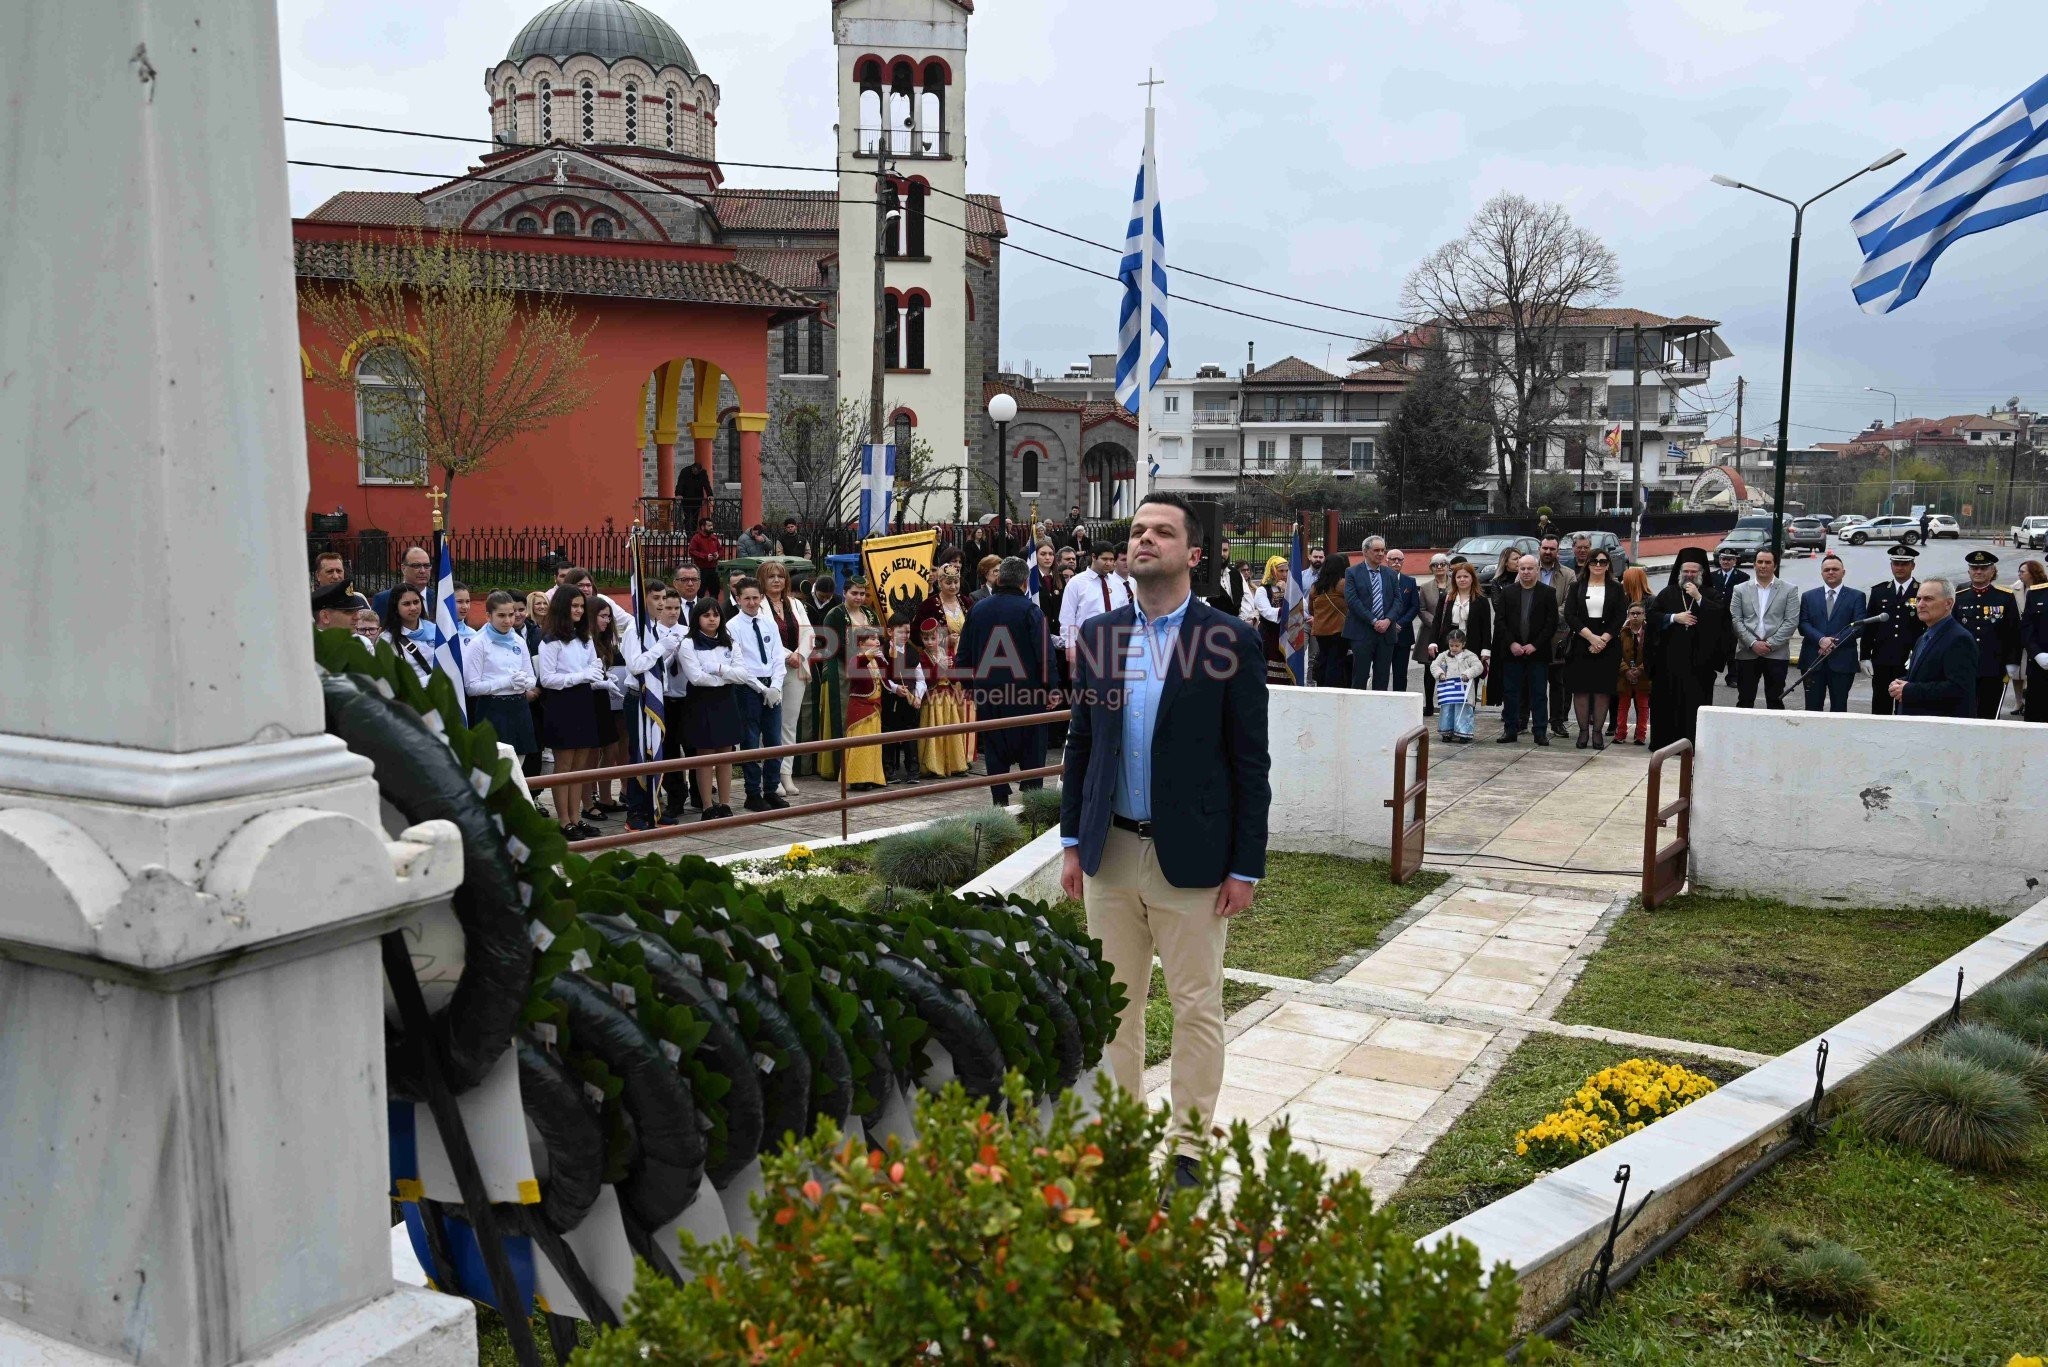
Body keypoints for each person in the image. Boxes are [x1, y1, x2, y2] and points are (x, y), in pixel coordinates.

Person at [1059, 491, 1270, 1186]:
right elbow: (1082, 744)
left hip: (1195, 858)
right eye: (1137, 530)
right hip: (1109, 854)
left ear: (1193, 552)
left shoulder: (1230, 639)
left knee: (1195, 1008)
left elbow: (1249, 761)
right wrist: (1070, 840)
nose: (1144, 539)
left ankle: (1188, 1147)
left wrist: (1245, 864)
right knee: (1114, 1009)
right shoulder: (1100, 636)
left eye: (1161, 531)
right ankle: (1120, 1133)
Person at [960, 556, 1053, 806]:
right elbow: (1044, 653)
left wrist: (968, 686)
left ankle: (999, 802)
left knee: (995, 748)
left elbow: (964, 652)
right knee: (1032, 749)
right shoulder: (1031, 610)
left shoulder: (978, 609)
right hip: (1027, 694)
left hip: (989, 692)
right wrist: (1051, 689)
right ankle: (1033, 805)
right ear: (1025, 583)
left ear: (999, 579)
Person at [536, 588, 609, 838]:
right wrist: (581, 676)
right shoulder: (550, 640)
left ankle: (577, 817)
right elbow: (547, 679)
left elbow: (591, 665)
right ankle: (564, 820)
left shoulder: (585, 638)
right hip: (562, 703)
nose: (578, 610)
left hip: (583, 701)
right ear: (561, 608)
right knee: (564, 766)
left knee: (580, 767)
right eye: (573, 606)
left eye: (580, 606)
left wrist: (598, 676)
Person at [1647, 548, 1734, 748]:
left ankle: (1693, 744)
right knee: (1667, 703)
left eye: (1694, 571)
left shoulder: (1711, 594)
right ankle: (1664, 742)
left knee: (1694, 705)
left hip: (1698, 665)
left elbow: (1722, 620)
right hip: (1669, 662)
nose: (1689, 575)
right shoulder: (1667, 593)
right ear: (1680, 572)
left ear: (1701, 573)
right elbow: (1652, 618)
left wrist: (1699, 598)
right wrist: (1673, 618)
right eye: (1686, 571)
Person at [677, 597, 747, 819]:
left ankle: (725, 803)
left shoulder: (730, 641)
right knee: (705, 755)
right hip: (701, 701)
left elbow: (742, 674)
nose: (712, 619)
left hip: (726, 700)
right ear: (697, 618)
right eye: (706, 615)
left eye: (715, 615)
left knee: (725, 754)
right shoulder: (689, 643)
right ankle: (707, 805)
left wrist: (717, 668)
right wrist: (726, 674)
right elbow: (696, 677)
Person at [727, 578, 789, 811]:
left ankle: (771, 789)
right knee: (751, 741)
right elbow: (739, 663)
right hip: (748, 688)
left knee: (774, 740)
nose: (752, 603)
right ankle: (753, 792)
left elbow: (777, 656)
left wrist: (775, 686)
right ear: (738, 599)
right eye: (747, 598)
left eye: (755, 598)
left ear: (761, 598)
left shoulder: (768, 622)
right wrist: (762, 689)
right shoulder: (732, 626)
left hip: (772, 684)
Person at [464, 590, 540, 771]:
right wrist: (506, 682)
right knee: (494, 765)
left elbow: (531, 677)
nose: (507, 620)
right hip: (492, 708)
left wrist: (524, 682)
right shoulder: (478, 643)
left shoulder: (518, 640)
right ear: (488, 616)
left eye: (511, 614)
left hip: (519, 706)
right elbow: (471, 687)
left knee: (519, 761)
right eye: (501, 615)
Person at [758, 560, 812, 799]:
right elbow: (762, 637)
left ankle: (786, 775)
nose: (777, 580)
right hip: (771, 670)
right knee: (770, 726)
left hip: (797, 668)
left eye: (780, 576)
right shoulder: (758, 605)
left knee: (789, 724)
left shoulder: (796, 604)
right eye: (771, 577)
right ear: (762, 580)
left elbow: (809, 633)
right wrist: (788, 655)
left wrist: (799, 654)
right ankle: (769, 776)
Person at [1561, 548, 1625, 748]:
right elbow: (1570, 615)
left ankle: (1597, 732)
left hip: (1607, 643)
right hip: (1582, 640)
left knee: (1601, 690)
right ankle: (1583, 732)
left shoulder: (1616, 588)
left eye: (1603, 562)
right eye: (1594, 561)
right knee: (1581, 690)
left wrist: (1602, 640)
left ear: (1608, 566)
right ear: (1587, 564)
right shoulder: (1576, 586)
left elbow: (1620, 616)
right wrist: (1590, 637)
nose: (1598, 565)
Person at [1493, 554, 1559, 745]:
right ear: (1518, 570)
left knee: (1538, 693)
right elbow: (1500, 622)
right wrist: (1511, 643)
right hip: (1512, 653)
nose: (1526, 572)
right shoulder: (1508, 592)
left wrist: (1535, 645)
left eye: (1530, 568)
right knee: (1511, 693)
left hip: (1537, 653)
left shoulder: (1548, 593)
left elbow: (1551, 623)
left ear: (1537, 569)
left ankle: (1540, 732)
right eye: (1522, 568)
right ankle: (1510, 730)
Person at [1891, 578, 1978, 717]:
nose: (1920, 604)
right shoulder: (1924, 636)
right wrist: (1901, 683)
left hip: (1941, 725)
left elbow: (1957, 688)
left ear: (1948, 603)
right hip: (1920, 724)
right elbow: (1926, 674)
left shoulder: (1959, 638)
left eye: (1928, 599)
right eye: (1918, 599)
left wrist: (1909, 690)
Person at [816, 578, 874, 782]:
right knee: (842, 715)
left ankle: (863, 764)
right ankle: (840, 766)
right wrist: (860, 658)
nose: (859, 598)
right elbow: (834, 644)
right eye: (854, 593)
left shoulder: (869, 613)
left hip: (865, 668)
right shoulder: (835, 614)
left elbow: (876, 639)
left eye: (862, 594)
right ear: (845, 593)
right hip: (840, 670)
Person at [1954, 549, 2022, 719]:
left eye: (1983, 568)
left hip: (1993, 665)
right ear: (1969, 571)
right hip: (1963, 665)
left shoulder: (2004, 597)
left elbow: (2014, 632)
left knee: (1989, 713)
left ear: (1992, 571)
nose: (1978, 572)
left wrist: (2012, 661)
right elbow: (1951, 630)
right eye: (1974, 568)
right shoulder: (1959, 597)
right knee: (1963, 712)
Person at [1796, 554, 1867, 713]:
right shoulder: (1808, 596)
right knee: (1812, 709)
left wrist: (1833, 642)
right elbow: (1803, 624)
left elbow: (1858, 626)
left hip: (1842, 662)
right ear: (1821, 573)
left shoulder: (1856, 596)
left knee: (1839, 708)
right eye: (1827, 570)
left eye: (1835, 569)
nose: (1831, 572)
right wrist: (1821, 640)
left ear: (1843, 572)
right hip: (1813, 660)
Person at [1729, 549, 1798, 710]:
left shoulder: (1789, 590)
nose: (1763, 566)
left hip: (1776, 653)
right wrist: (1753, 643)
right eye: (1760, 562)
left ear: (1775, 566)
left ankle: (1775, 735)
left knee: (1775, 700)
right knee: (1745, 700)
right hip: (1747, 652)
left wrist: (1770, 644)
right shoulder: (1740, 589)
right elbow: (1736, 620)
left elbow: (1791, 621)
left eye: (1768, 562)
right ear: (1754, 565)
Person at [1863, 544, 1924, 718]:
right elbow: (1870, 626)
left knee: (1907, 705)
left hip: (1910, 659)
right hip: (1882, 659)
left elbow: (1927, 628)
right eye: (1896, 563)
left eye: (1904, 564)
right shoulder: (1879, 591)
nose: (1899, 568)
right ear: (1891, 565)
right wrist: (1865, 656)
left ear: (1913, 566)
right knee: (1880, 705)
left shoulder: (1921, 591)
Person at [1342, 536, 1410, 690]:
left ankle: (1379, 712)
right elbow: (1353, 601)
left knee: (1382, 676)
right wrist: (1373, 620)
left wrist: (1387, 620)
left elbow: (1398, 601)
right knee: (1360, 676)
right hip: (1362, 632)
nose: (1380, 554)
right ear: (1365, 552)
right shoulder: (1352, 572)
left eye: (1382, 550)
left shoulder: (1390, 574)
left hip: (1386, 634)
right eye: (1376, 550)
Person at [1058, 541, 1131, 670]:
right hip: (1086, 644)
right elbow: (1067, 616)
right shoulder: (1076, 583)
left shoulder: (1118, 584)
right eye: (1104, 559)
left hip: (1114, 645)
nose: (1108, 563)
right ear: (1093, 557)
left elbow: (1125, 615)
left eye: (1111, 559)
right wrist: (1070, 645)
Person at [586, 596, 628, 818]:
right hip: (591, 701)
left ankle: (605, 796)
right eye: (602, 616)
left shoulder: (608, 641)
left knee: (611, 748)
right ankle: (588, 799)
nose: (607, 620)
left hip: (608, 701)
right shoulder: (586, 640)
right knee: (591, 752)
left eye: (609, 616)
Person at [916, 615, 972, 778]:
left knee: (952, 731)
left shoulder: (946, 653)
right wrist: (940, 667)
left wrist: (951, 668)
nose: (929, 641)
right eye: (925, 638)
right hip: (932, 699)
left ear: (940, 637)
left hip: (948, 698)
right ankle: (934, 766)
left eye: (933, 638)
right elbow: (927, 679)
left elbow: (954, 678)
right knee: (935, 732)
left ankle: (956, 765)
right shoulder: (923, 657)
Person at [1536, 536, 1576, 737]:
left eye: (1552, 548)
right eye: (1545, 548)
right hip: (1532, 636)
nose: (1548, 552)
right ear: (1539, 549)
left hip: (1557, 636)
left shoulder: (1568, 575)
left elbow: (1569, 605)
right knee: (1532, 680)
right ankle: (1526, 720)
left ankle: (1557, 722)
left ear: (1558, 551)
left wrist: (1547, 619)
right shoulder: (1527, 570)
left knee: (1557, 682)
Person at [840, 628, 890, 791]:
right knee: (860, 745)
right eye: (872, 638)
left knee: (872, 746)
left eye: (877, 638)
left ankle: (871, 777)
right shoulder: (855, 659)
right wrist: (869, 655)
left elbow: (886, 679)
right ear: (861, 643)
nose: (877, 641)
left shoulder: (877, 660)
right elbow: (854, 671)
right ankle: (857, 779)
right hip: (860, 708)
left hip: (875, 708)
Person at [1429, 561, 1492, 686]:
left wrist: (1486, 649)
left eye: (1466, 576)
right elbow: (1437, 621)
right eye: (1458, 577)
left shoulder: (1482, 601)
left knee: (1470, 680)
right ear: (1454, 579)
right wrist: (1432, 642)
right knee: (1449, 680)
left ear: (1472, 579)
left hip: (1473, 645)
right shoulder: (1446, 598)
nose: (1462, 579)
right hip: (1449, 644)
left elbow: (1486, 627)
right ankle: (1449, 704)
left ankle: (1469, 705)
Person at [880, 616, 926, 783]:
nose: (905, 635)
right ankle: (889, 770)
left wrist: (918, 696)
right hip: (891, 699)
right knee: (889, 733)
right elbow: (883, 677)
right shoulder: (883, 651)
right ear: (890, 631)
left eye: (907, 632)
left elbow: (920, 678)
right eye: (901, 632)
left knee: (910, 733)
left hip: (909, 699)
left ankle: (913, 771)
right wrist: (895, 688)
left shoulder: (912, 652)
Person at [1430, 628, 1483, 744]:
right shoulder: (1444, 655)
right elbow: (1434, 666)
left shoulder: (1469, 656)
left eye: (1457, 646)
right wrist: (1440, 674)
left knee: (1463, 709)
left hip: (1464, 689)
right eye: (1451, 645)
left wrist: (1467, 674)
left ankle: (1464, 733)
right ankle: (1446, 732)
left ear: (1463, 644)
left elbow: (1479, 667)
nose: (1453, 648)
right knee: (1447, 709)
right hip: (1448, 688)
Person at [1414, 553, 1451, 714]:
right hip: (1429, 633)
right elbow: (1421, 610)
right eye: (1436, 564)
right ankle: (1428, 704)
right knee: (1430, 670)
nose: (1440, 567)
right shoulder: (1425, 587)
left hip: (1451, 633)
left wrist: (1447, 624)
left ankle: (1447, 704)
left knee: (1450, 669)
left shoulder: (1456, 585)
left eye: (1443, 564)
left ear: (1448, 567)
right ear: (1431, 568)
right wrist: (1437, 623)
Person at [379, 584, 436, 686]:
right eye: (406, 604)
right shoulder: (386, 639)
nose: (413, 608)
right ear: (395, 607)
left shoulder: (435, 630)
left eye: (416, 602)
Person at [1308, 553, 1351, 688]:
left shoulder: (1316, 586)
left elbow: (1311, 610)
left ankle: (1321, 686)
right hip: (1339, 630)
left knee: (1323, 659)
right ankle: (1332, 689)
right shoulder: (1342, 584)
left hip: (1320, 631)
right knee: (1336, 661)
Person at [1385, 549, 1423, 692]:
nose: (1396, 562)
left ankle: (1400, 699)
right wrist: (1389, 623)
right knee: (1381, 671)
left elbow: (1414, 606)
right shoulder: (1381, 579)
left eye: (1399, 559)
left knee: (1400, 673)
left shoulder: (1410, 582)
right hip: (1383, 632)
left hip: (1403, 634)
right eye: (1393, 559)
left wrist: (1400, 623)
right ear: (1386, 561)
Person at [1616, 601, 1651, 744]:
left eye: (1639, 613)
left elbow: (1653, 654)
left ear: (1644, 615)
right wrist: (1626, 670)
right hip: (1624, 675)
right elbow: (1616, 654)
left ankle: (1641, 735)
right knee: (1623, 706)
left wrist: (1640, 669)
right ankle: (1620, 734)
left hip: (1643, 675)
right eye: (1632, 613)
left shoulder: (1650, 632)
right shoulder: (1622, 632)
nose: (1635, 616)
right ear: (1628, 615)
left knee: (1643, 706)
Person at [1254, 556, 1292, 684]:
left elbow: (1300, 606)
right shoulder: (1262, 590)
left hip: (1287, 636)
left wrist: (1287, 591)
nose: (1284, 574)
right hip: (1270, 635)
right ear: (1272, 571)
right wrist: (1286, 611)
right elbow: (1267, 612)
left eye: (1286, 571)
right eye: (1281, 571)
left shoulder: (1290, 589)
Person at [372, 545, 434, 618]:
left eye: (427, 566)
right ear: (403, 568)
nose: (423, 571)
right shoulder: (384, 599)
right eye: (416, 566)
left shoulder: (439, 598)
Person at [2023, 568, 2048, 722]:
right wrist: (2037, 653)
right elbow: (2026, 628)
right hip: (2040, 668)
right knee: (2037, 719)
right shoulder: (2036, 593)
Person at [1206, 538, 1253, 621]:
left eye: (1225, 550)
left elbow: (1248, 599)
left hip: (1237, 624)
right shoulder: (1205, 577)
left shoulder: (1236, 574)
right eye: (1218, 549)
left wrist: (1239, 619)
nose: (1221, 554)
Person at [676, 458, 713, 526]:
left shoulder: (703, 473)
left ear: (699, 471)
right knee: (687, 517)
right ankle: (688, 534)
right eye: (694, 471)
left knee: (695, 517)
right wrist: (678, 494)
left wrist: (710, 494)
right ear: (692, 468)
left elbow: (706, 484)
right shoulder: (685, 471)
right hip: (686, 498)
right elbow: (680, 483)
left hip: (697, 498)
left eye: (696, 472)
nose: (695, 472)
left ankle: (693, 533)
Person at [687, 517, 723, 584]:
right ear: (702, 527)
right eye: (709, 526)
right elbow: (692, 551)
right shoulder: (696, 538)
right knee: (701, 590)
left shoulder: (714, 538)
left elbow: (720, 550)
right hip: (701, 569)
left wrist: (718, 555)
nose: (711, 527)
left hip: (714, 568)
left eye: (712, 525)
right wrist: (705, 556)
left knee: (715, 590)